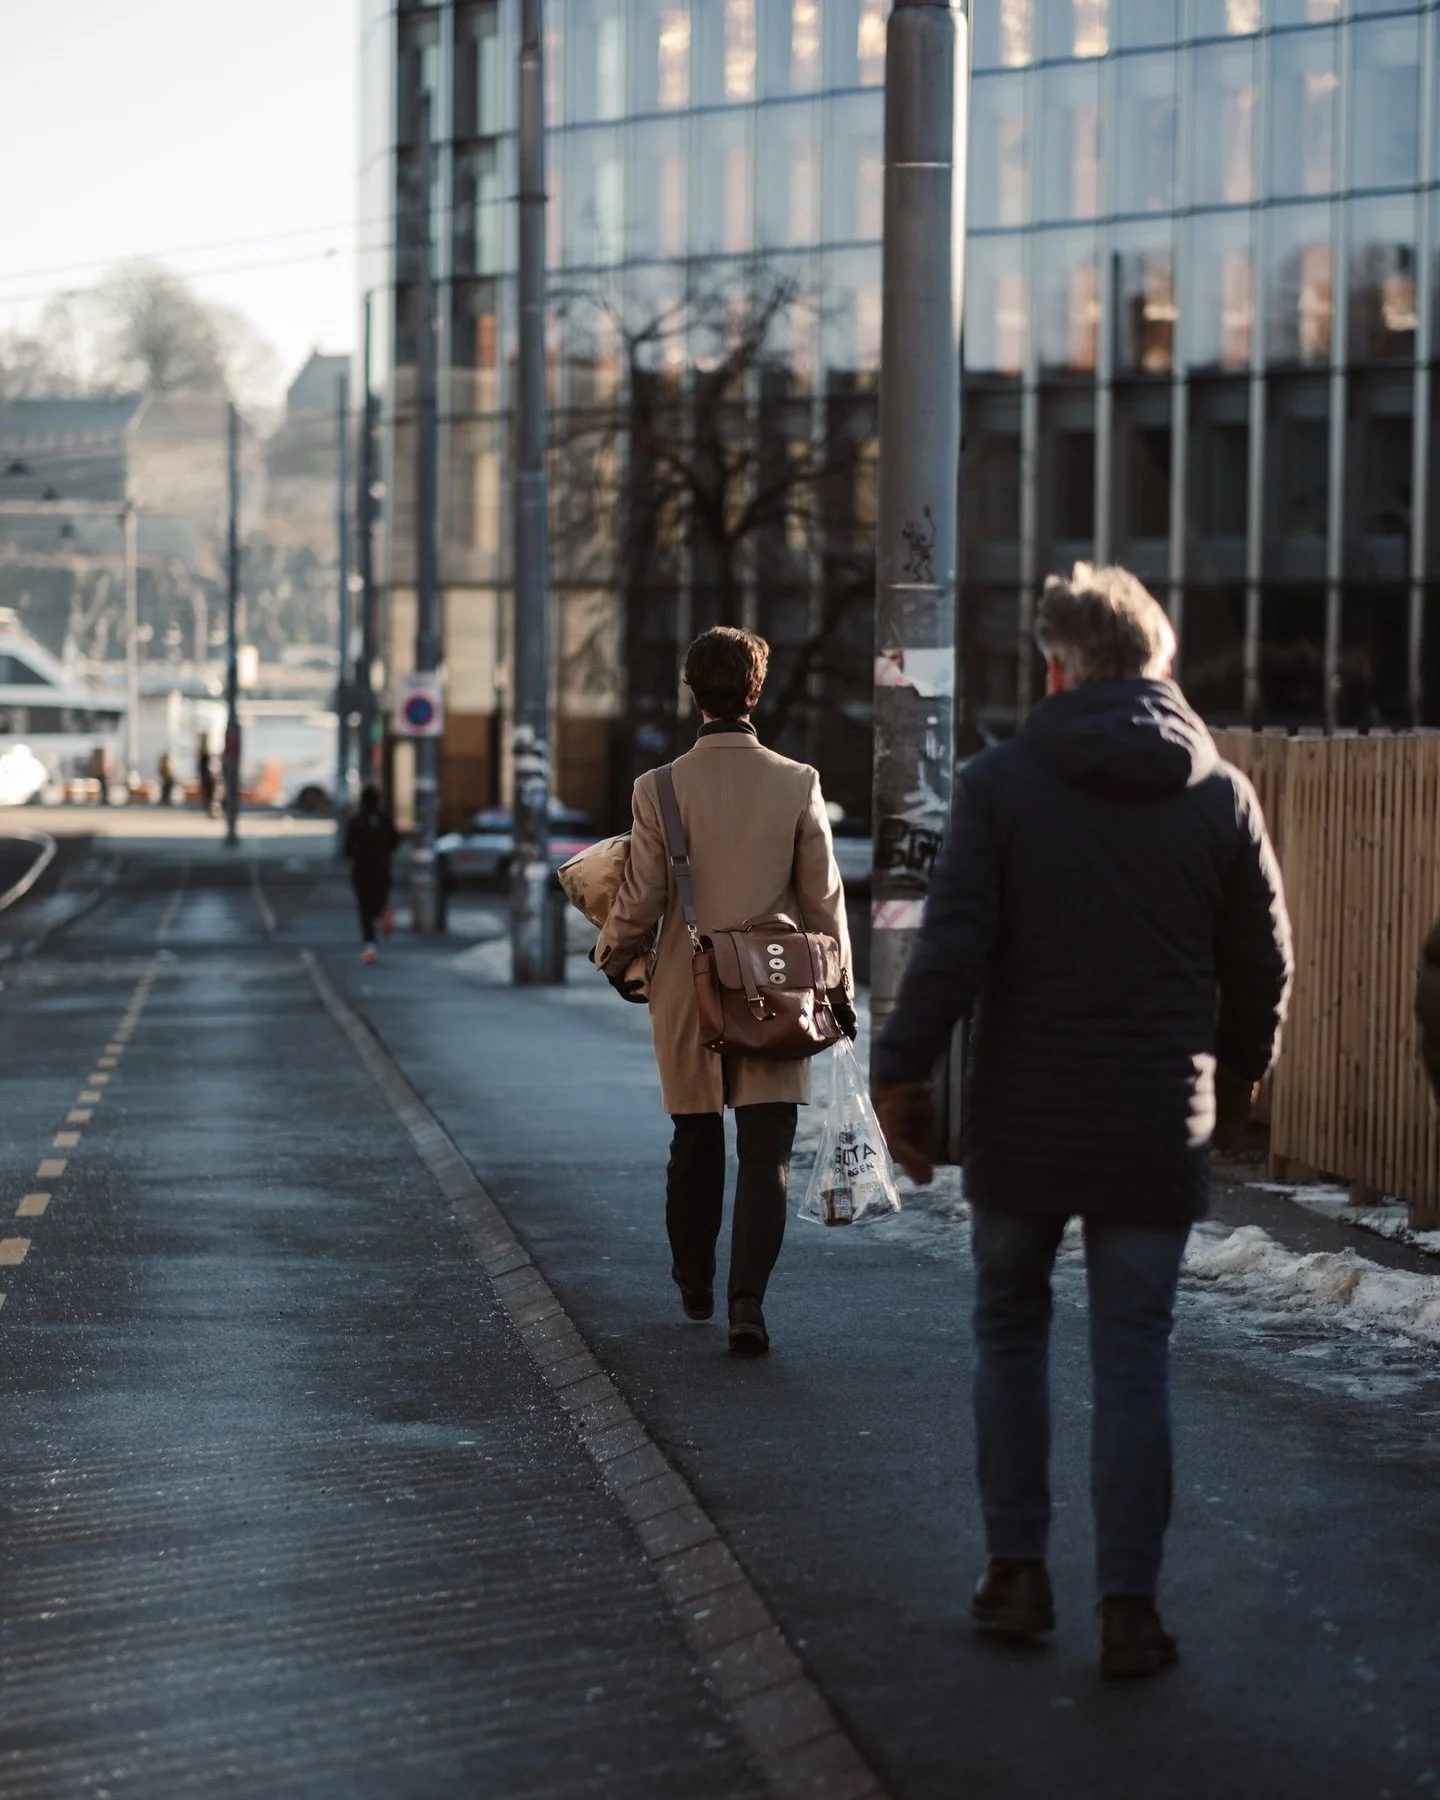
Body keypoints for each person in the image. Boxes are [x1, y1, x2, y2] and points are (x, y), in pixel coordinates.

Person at [873, 564, 1293, 1679]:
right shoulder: (1219, 795)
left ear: (1055, 666)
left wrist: (901, 1076)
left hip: (1026, 1120)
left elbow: (951, 948)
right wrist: (1240, 1085)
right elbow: (1264, 969)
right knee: (1135, 1357)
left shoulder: (1003, 784)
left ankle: (1016, 1573)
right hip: (1158, 1121)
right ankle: (1130, 1611)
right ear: (1157, 664)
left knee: (1010, 1331)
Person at [596, 627, 855, 1356]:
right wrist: (839, 991)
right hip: (776, 986)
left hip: (690, 984)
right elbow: (824, 902)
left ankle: (693, 1277)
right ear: (756, 689)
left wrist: (613, 954)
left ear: (691, 692)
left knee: (695, 1132)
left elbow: (644, 896)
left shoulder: (659, 788)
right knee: (767, 1145)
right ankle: (749, 1304)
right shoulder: (797, 781)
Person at [344, 784, 400, 965]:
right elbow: (395, 842)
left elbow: (347, 848)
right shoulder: (385, 819)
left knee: (364, 908)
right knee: (380, 900)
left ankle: (370, 944)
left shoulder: (356, 820)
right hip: (382, 868)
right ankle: (384, 917)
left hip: (362, 869)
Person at [197, 737, 217, 818]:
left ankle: (210, 812)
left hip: (206, 778)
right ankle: (211, 812)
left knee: (209, 797)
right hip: (207, 777)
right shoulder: (205, 755)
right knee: (210, 797)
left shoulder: (202, 755)